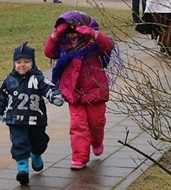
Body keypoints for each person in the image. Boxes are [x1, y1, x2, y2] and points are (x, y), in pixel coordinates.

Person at [44, 11, 117, 170]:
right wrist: (56, 35)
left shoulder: (93, 45)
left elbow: (108, 46)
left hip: (94, 91)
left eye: (75, 32)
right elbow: (49, 52)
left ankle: (97, 141)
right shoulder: (64, 47)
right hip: (73, 93)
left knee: (97, 123)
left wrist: (93, 34)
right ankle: (79, 157)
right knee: (78, 126)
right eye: (68, 33)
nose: (71, 36)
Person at [0, 42, 64, 185]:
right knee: (19, 143)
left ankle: (36, 154)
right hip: (16, 119)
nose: (22, 65)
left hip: (36, 120)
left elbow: (48, 87)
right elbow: (2, 95)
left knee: (39, 143)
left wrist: (55, 96)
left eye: (26, 62)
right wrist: (0, 110)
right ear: (14, 63)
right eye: (18, 62)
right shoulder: (9, 80)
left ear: (32, 62)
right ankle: (22, 170)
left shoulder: (38, 78)